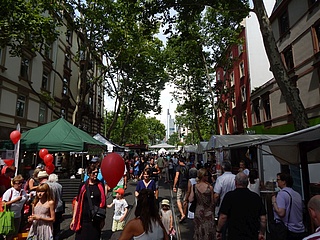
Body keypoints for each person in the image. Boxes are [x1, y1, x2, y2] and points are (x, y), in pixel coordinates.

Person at [216, 172, 267, 240]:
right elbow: (263, 219)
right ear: (247, 182)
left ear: (235, 182)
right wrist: (261, 232)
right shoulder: (255, 197)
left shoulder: (229, 197)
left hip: (234, 235)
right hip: (252, 234)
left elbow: (223, 217)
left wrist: (218, 230)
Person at [70, 165, 106, 240]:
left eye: (97, 172)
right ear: (89, 174)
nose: (95, 175)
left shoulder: (100, 185)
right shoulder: (83, 186)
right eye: (93, 173)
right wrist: (74, 218)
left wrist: (103, 219)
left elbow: (103, 203)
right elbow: (77, 201)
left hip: (95, 219)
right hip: (83, 219)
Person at [271, 173, 307, 240]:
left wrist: (274, 202)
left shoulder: (282, 194)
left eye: (278, 180)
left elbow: (281, 213)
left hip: (288, 230)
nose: (277, 181)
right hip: (300, 229)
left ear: (284, 182)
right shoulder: (297, 194)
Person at [188, 168, 215, 240]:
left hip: (198, 211)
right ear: (203, 176)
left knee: (199, 231)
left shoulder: (195, 186)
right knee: (208, 232)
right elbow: (213, 202)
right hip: (208, 212)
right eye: (206, 175)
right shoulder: (210, 187)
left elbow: (190, 199)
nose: (208, 177)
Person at [2, 175, 29, 240]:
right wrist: (15, 200)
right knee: (9, 234)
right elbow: (3, 205)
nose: (20, 185)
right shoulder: (10, 191)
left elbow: (25, 202)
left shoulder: (23, 192)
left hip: (18, 216)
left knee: (15, 234)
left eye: (22, 183)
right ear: (14, 183)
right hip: (9, 216)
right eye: (18, 183)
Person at [47, 173, 64, 240]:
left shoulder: (49, 185)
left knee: (51, 222)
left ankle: (51, 235)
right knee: (58, 222)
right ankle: (57, 235)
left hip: (53, 206)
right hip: (59, 205)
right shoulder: (60, 186)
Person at [173, 157, 189, 223]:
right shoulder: (187, 167)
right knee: (185, 200)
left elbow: (177, 177)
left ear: (179, 161)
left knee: (178, 199)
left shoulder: (178, 167)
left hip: (180, 185)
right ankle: (184, 214)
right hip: (187, 185)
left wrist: (174, 186)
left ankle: (182, 214)